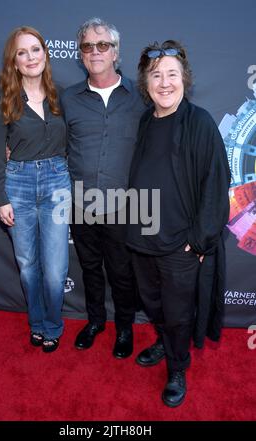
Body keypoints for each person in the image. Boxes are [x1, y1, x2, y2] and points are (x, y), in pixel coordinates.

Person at [127, 40, 230, 406]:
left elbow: (217, 184)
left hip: (180, 245)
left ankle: (177, 367)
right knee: (153, 305)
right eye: (157, 75)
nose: (165, 83)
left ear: (184, 79)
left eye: (172, 74)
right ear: (146, 83)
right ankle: (164, 341)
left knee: (177, 313)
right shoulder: (144, 121)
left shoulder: (199, 122)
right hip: (141, 239)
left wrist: (199, 241)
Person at [61, 18, 146, 358]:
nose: (95, 52)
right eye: (87, 46)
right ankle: (96, 321)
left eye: (102, 45)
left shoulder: (140, 97)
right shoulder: (68, 99)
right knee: (90, 267)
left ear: (115, 52)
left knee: (122, 272)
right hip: (80, 202)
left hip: (126, 204)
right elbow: (51, 140)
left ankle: (124, 328)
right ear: (80, 54)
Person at [0, 26, 71, 353]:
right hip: (18, 184)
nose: (30, 57)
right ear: (14, 61)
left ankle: (53, 324)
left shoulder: (62, 95)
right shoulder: (3, 100)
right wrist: (1, 197)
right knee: (27, 266)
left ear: (45, 54)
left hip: (57, 182)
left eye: (35, 49)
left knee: (55, 270)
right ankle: (36, 322)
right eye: (22, 52)